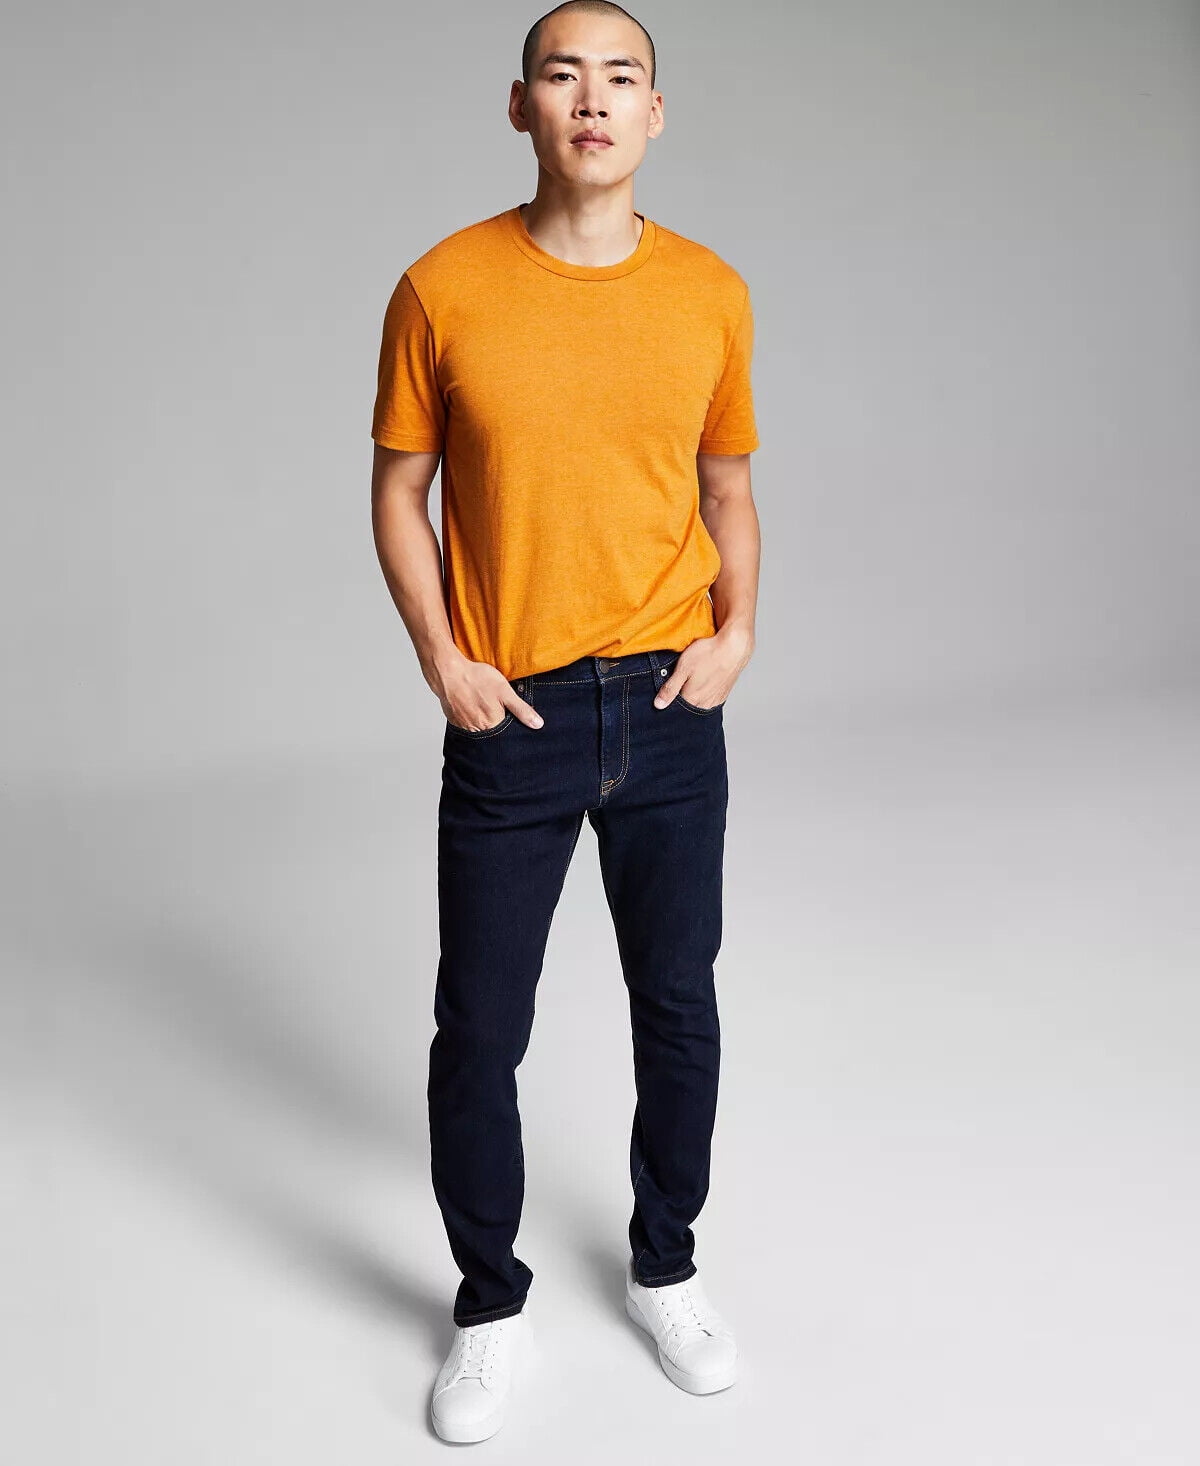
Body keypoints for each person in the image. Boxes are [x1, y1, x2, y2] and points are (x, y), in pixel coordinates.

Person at [370, 0, 762, 1443]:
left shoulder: (709, 290)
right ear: (521, 105)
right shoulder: (442, 287)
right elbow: (398, 490)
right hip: (514, 714)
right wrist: (442, 657)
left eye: (621, 76)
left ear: (655, 112)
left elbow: (728, 489)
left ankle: (669, 1266)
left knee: (680, 1003)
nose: (592, 98)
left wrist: (737, 633)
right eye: (562, 73)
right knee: (479, 1025)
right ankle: (489, 1305)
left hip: (667, 704)